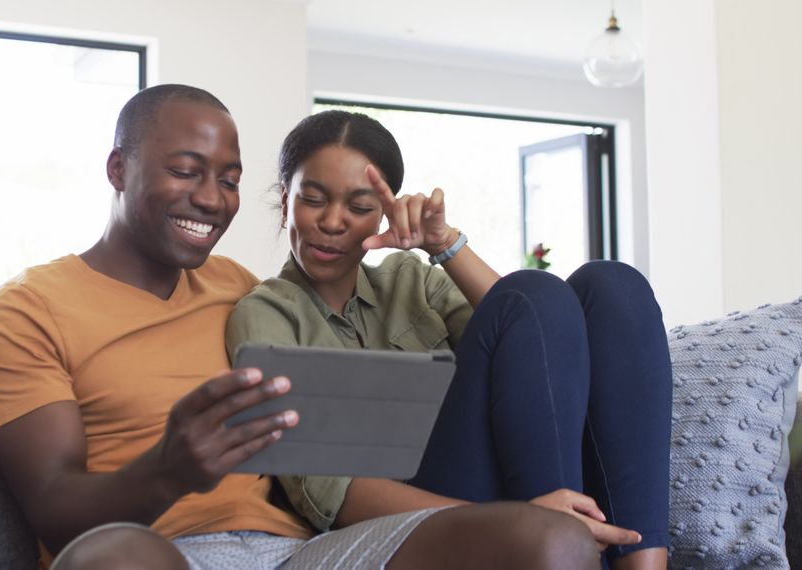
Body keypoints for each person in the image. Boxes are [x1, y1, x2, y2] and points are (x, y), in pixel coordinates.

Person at [0, 85, 601, 570]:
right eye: (187, 171)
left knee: (549, 538)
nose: (213, 198)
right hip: (161, 550)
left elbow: (523, 333)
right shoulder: (30, 309)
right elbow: (54, 510)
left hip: (301, 553)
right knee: (114, 558)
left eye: (229, 179)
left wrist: (433, 246)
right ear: (118, 170)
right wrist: (169, 469)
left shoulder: (239, 288)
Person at [225, 110, 673, 569]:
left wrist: (442, 244)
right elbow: (326, 490)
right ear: (285, 202)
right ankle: (555, 548)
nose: (333, 222)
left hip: (496, 480)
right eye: (313, 200)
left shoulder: (410, 280)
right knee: (535, 291)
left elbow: (535, 329)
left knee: (612, 285)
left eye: (359, 207)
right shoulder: (266, 314)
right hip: (414, 515)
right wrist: (513, 519)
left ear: (383, 214)